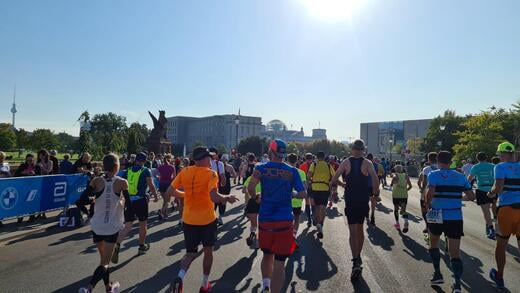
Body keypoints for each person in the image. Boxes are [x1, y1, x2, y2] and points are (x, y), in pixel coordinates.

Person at [163, 146, 239, 293]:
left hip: (189, 220)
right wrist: (227, 197)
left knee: (190, 253)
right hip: (206, 220)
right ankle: (204, 285)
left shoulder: (185, 171)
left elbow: (169, 192)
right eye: (209, 157)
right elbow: (214, 197)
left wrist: (183, 195)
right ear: (204, 159)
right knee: (208, 251)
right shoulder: (211, 174)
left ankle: (180, 276)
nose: (211, 159)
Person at [247, 139, 306, 293]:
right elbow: (303, 193)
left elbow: (250, 187)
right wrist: (291, 193)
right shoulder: (292, 171)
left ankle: (266, 285)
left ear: (271, 151)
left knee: (267, 255)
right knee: (280, 262)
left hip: (266, 219)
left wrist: (256, 197)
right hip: (285, 221)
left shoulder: (260, 168)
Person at [78, 154, 130, 293]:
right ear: (117, 166)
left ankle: (108, 287)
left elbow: (81, 200)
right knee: (105, 263)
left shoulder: (96, 181)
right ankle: (89, 288)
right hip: (112, 226)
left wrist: (93, 201)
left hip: (97, 225)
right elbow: (129, 205)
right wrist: (122, 203)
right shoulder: (122, 182)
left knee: (103, 261)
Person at [425, 151, 475, 293]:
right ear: (451, 161)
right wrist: (458, 199)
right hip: (455, 216)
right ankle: (457, 284)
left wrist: (427, 205)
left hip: (437, 214)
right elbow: (471, 196)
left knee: (433, 242)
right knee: (455, 252)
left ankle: (437, 274)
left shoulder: (433, 175)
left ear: (438, 161)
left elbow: (430, 193)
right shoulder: (460, 176)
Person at [330, 139, 379, 281]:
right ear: (363, 149)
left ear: (352, 149)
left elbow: (334, 179)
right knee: (360, 229)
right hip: (363, 200)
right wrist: (375, 194)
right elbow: (375, 179)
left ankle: (355, 259)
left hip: (350, 200)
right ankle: (358, 257)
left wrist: (342, 186)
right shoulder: (367, 163)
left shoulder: (346, 162)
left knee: (352, 232)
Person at [112, 152, 158, 262]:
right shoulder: (146, 170)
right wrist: (155, 195)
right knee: (143, 224)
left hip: (129, 200)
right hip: (141, 200)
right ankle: (141, 246)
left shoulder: (128, 170)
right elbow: (151, 185)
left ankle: (117, 243)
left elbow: (118, 182)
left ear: (135, 159)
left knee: (127, 225)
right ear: (144, 160)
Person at [488, 142, 520, 290]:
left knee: (501, 244)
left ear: (503, 153)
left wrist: (490, 193)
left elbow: (498, 187)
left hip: (507, 209)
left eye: (499, 154)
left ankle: (499, 277)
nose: (499, 156)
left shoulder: (500, 167)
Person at [467, 152, 497, 239]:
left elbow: (470, 178)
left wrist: (464, 186)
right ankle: (495, 226)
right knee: (494, 208)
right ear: (486, 158)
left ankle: (490, 228)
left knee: (486, 211)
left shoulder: (476, 167)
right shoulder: (493, 166)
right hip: (493, 189)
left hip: (481, 190)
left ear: (477, 159)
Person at [307, 151, 335, 239]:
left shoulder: (314, 164)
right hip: (324, 188)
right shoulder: (328, 165)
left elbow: (309, 175)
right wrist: (330, 183)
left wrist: (311, 180)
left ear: (317, 157)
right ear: (324, 157)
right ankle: (320, 224)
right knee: (322, 207)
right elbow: (334, 176)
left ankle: (315, 220)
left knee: (315, 207)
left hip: (314, 188)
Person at [418, 152, 439, 235]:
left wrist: (422, 191)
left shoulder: (427, 169)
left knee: (424, 210)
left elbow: (425, 182)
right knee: (434, 210)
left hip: (427, 192)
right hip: (438, 193)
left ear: (428, 159)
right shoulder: (440, 167)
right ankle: (434, 226)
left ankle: (428, 226)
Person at [287, 153, 307, 242]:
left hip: (286, 199)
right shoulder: (301, 173)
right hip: (297, 199)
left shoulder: (284, 171)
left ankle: (287, 234)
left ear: (287, 160)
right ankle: (294, 235)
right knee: (297, 218)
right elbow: (305, 186)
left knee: (286, 218)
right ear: (297, 161)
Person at [243, 164, 261, 249]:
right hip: (262, 200)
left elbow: (244, 190)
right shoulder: (264, 179)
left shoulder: (250, 178)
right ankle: (257, 241)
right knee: (261, 223)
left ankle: (253, 233)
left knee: (253, 224)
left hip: (252, 201)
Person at [390, 164, 412, 232]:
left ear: (395, 170)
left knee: (396, 209)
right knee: (403, 211)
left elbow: (391, 185)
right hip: (404, 195)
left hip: (396, 195)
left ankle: (397, 223)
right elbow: (410, 186)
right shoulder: (406, 176)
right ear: (402, 170)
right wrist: (405, 190)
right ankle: (406, 222)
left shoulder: (395, 176)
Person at [157, 154, 176, 219]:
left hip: (161, 184)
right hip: (168, 184)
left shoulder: (160, 166)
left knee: (165, 200)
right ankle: (162, 212)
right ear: (170, 159)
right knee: (167, 200)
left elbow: (158, 176)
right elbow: (174, 177)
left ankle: (164, 213)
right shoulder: (172, 167)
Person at [299, 153, 314, 228]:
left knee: (307, 203)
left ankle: (309, 220)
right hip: (313, 186)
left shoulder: (302, 166)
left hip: (305, 186)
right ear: (312, 158)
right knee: (312, 203)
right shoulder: (315, 165)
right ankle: (312, 218)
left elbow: (300, 177)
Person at [365, 153, 381, 225]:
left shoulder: (364, 164)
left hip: (365, 185)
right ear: (372, 158)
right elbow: (376, 176)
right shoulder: (376, 165)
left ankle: (367, 212)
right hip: (374, 185)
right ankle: (373, 214)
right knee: (373, 200)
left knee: (366, 200)